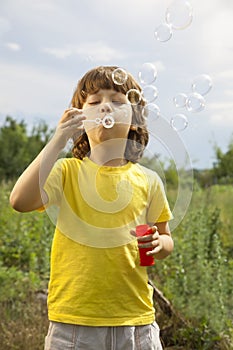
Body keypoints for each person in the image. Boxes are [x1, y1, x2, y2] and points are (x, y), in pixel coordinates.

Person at [10, 66, 174, 350]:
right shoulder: (66, 172)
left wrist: (161, 243)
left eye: (117, 101)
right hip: (75, 322)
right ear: (80, 118)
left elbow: (167, 239)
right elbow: (20, 201)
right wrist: (58, 139)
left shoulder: (149, 180)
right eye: (95, 102)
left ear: (135, 119)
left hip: (135, 321)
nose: (105, 107)